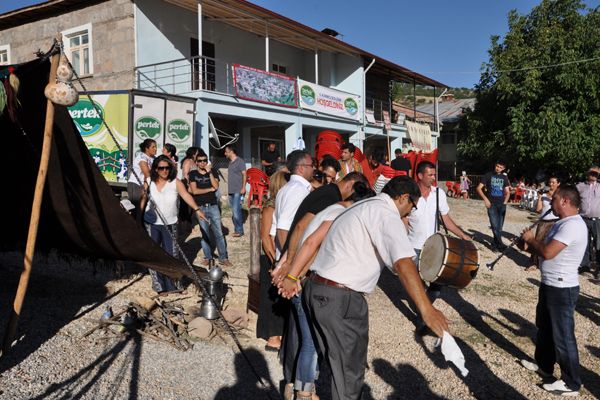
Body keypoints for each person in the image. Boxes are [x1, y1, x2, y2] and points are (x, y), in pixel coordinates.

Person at [302, 176, 449, 400]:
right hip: (342, 297)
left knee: (337, 367)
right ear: (403, 198)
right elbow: (402, 263)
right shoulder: (385, 213)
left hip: (318, 289)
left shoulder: (363, 205)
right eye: (412, 206)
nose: (410, 213)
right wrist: (427, 311)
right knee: (349, 374)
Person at [277, 181, 376, 400]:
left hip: (299, 276)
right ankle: (304, 392)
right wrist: (294, 276)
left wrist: (288, 263)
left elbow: (301, 226)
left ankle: (294, 385)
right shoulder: (341, 214)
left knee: (303, 338)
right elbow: (313, 243)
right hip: (304, 280)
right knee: (311, 343)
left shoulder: (330, 208)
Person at [519, 186, 586, 396]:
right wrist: (527, 245)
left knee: (563, 337)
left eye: (554, 198)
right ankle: (544, 365)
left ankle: (572, 382)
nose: (551, 202)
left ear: (565, 201)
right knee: (545, 328)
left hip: (562, 287)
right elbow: (543, 249)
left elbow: (548, 253)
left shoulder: (573, 225)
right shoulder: (562, 223)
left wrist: (532, 240)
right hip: (550, 283)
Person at [406, 161, 471, 335]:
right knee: (417, 285)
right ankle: (424, 316)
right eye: (430, 175)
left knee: (438, 284)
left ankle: (422, 317)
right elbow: (403, 220)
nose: (434, 178)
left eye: (434, 174)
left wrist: (463, 235)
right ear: (419, 176)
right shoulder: (410, 194)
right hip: (413, 247)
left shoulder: (438, 194)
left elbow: (446, 221)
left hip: (434, 247)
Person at [143, 155, 207, 295]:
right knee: (155, 255)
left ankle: (173, 285)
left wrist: (197, 209)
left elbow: (186, 195)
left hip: (170, 223)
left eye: (167, 168)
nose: (165, 171)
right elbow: (143, 200)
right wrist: (137, 217)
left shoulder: (175, 182)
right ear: (155, 169)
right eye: (161, 168)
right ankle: (159, 285)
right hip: (152, 223)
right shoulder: (149, 181)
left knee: (172, 255)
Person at [256, 170, 289, 352]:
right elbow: (265, 237)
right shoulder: (270, 208)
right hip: (272, 258)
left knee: (283, 298)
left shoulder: (286, 207)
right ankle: (273, 336)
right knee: (272, 299)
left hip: (283, 258)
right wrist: (274, 262)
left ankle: (283, 333)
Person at [188, 150, 232, 268]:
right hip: (200, 207)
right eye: (200, 161)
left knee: (218, 233)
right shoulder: (192, 174)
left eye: (204, 161)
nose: (202, 163)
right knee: (205, 233)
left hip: (213, 206)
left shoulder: (212, 171)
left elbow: (216, 186)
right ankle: (208, 257)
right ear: (196, 162)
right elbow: (194, 191)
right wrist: (209, 189)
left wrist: (210, 173)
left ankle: (223, 257)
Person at [527, 175, 561, 271]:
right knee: (537, 241)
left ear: (558, 184)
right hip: (544, 221)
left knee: (552, 243)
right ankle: (534, 262)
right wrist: (540, 197)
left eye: (553, 182)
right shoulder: (544, 195)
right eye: (550, 182)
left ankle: (548, 263)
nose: (551, 184)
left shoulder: (560, 196)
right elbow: (538, 209)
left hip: (555, 221)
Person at [477, 161, 511, 251]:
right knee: (495, 226)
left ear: (503, 169)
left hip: (502, 205)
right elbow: (479, 188)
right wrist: (485, 199)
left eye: (500, 167)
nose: (498, 168)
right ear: (495, 165)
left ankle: (495, 245)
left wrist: (505, 202)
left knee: (499, 227)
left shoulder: (504, 178)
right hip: (491, 204)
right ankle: (501, 244)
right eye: (497, 166)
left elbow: (507, 192)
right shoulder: (488, 175)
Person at [576, 166, 600, 275]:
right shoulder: (580, 186)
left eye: (596, 174)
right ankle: (584, 265)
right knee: (584, 242)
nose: (593, 175)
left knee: (598, 243)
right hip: (582, 219)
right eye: (592, 173)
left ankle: (598, 268)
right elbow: (573, 199)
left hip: (598, 220)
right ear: (587, 173)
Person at [127, 139, 157, 222]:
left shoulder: (154, 158)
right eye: (153, 147)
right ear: (147, 148)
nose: (155, 149)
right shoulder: (142, 157)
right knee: (136, 208)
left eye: (156, 147)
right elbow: (147, 173)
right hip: (136, 184)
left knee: (143, 208)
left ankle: (139, 225)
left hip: (146, 184)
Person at [224, 145, 246, 237]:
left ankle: (240, 231)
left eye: (226, 151)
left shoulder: (240, 161)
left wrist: (243, 187)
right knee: (234, 211)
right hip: (231, 190)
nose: (225, 153)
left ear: (231, 151)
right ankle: (237, 229)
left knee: (236, 211)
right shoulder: (230, 162)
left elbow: (245, 174)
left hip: (238, 190)